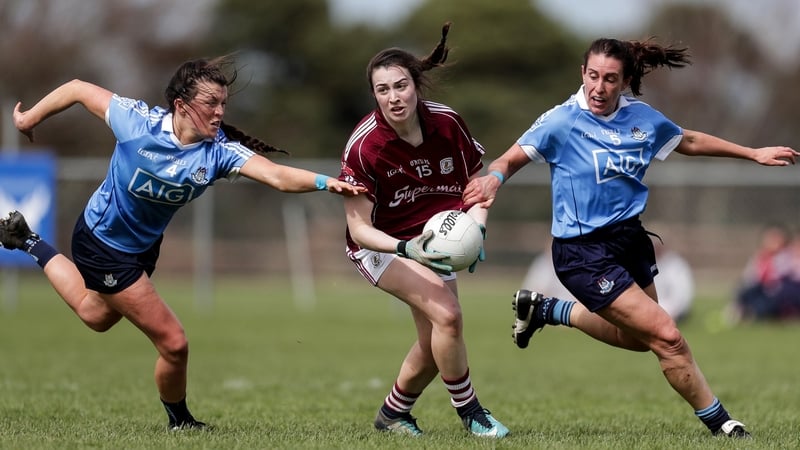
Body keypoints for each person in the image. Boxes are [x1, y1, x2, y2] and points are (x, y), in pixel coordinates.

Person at [2, 55, 364, 430]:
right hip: (102, 241)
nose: (220, 111)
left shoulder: (218, 152)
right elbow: (77, 88)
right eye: (211, 103)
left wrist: (326, 182)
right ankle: (181, 422)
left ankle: (27, 240)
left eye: (223, 103)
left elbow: (275, 175)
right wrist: (28, 119)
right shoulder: (137, 123)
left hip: (142, 248)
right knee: (174, 343)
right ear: (181, 105)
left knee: (96, 315)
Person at [463, 37, 799, 438]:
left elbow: (686, 140)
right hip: (582, 253)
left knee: (640, 340)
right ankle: (722, 423)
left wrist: (752, 153)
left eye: (609, 79)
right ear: (582, 74)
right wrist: (494, 180)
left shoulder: (641, 118)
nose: (599, 87)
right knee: (668, 337)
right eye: (592, 76)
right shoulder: (561, 120)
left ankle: (549, 311)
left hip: (630, 241)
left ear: (624, 82)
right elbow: (511, 157)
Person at [337, 23, 508, 438]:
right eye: (383, 90)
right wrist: (406, 248)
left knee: (437, 344)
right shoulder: (365, 146)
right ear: (374, 95)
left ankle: (393, 414)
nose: (394, 97)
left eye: (401, 86)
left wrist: (477, 229)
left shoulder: (448, 124)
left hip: (436, 238)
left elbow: (477, 187)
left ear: (416, 85)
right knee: (448, 317)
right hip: (382, 245)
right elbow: (358, 229)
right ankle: (471, 414)